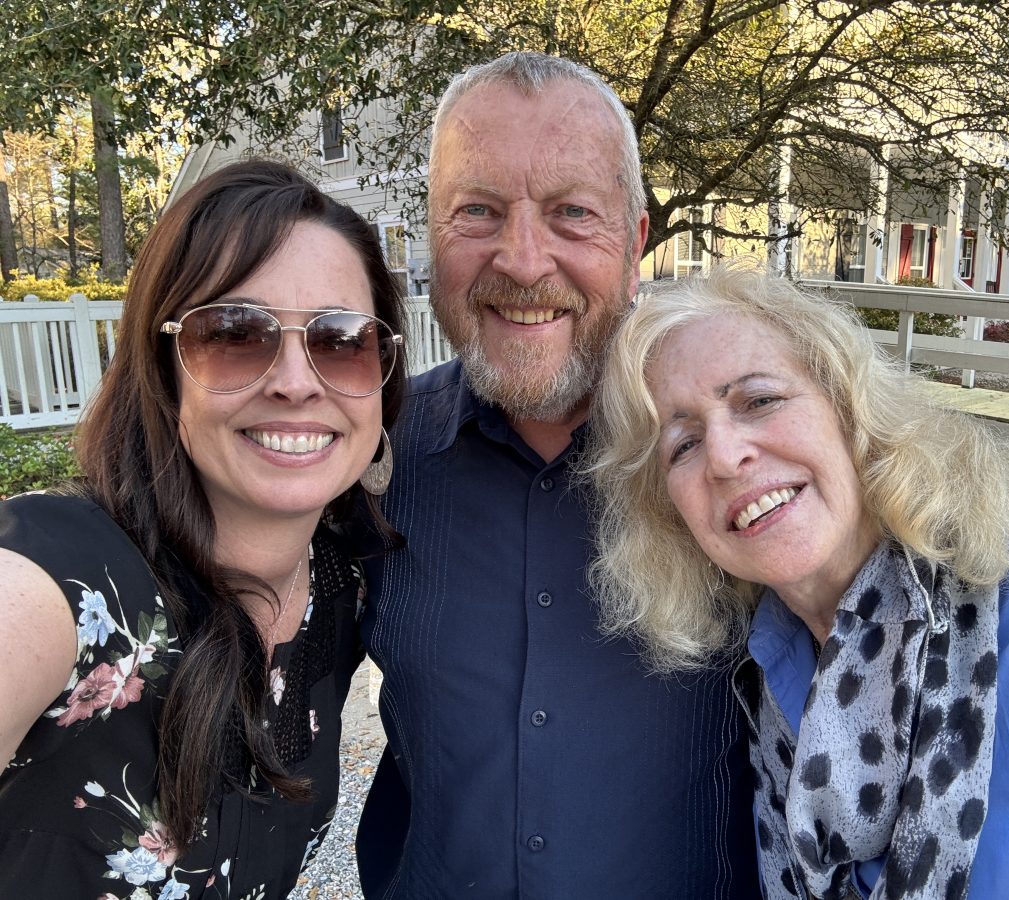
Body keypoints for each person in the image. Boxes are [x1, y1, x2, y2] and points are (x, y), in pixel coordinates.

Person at [587, 263, 1009, 899]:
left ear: (853, 411)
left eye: (760, 401)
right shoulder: (756, 692)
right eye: (682, 445)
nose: (723, 455)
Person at [355, 52, 760, 897]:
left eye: (572, 213)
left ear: (635, 243)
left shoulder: (740, 466)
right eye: (478, 210)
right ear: (431, 234)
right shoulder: (367, 455)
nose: (523, 260)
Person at [0, 160, 407, 899]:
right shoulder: (56, 584)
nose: (296, 382)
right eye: (235, 334)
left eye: (340, 340)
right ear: (163, 370)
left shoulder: (340, 588)